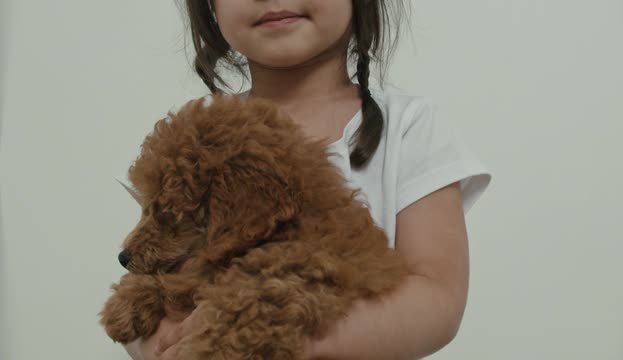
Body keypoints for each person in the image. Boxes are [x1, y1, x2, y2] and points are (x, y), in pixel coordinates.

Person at [123, 0, 492, 359]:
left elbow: (437, 298)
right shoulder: (194, 143)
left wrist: (280, 334)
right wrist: (163, 341)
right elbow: (143, 285)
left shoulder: (409, 127)